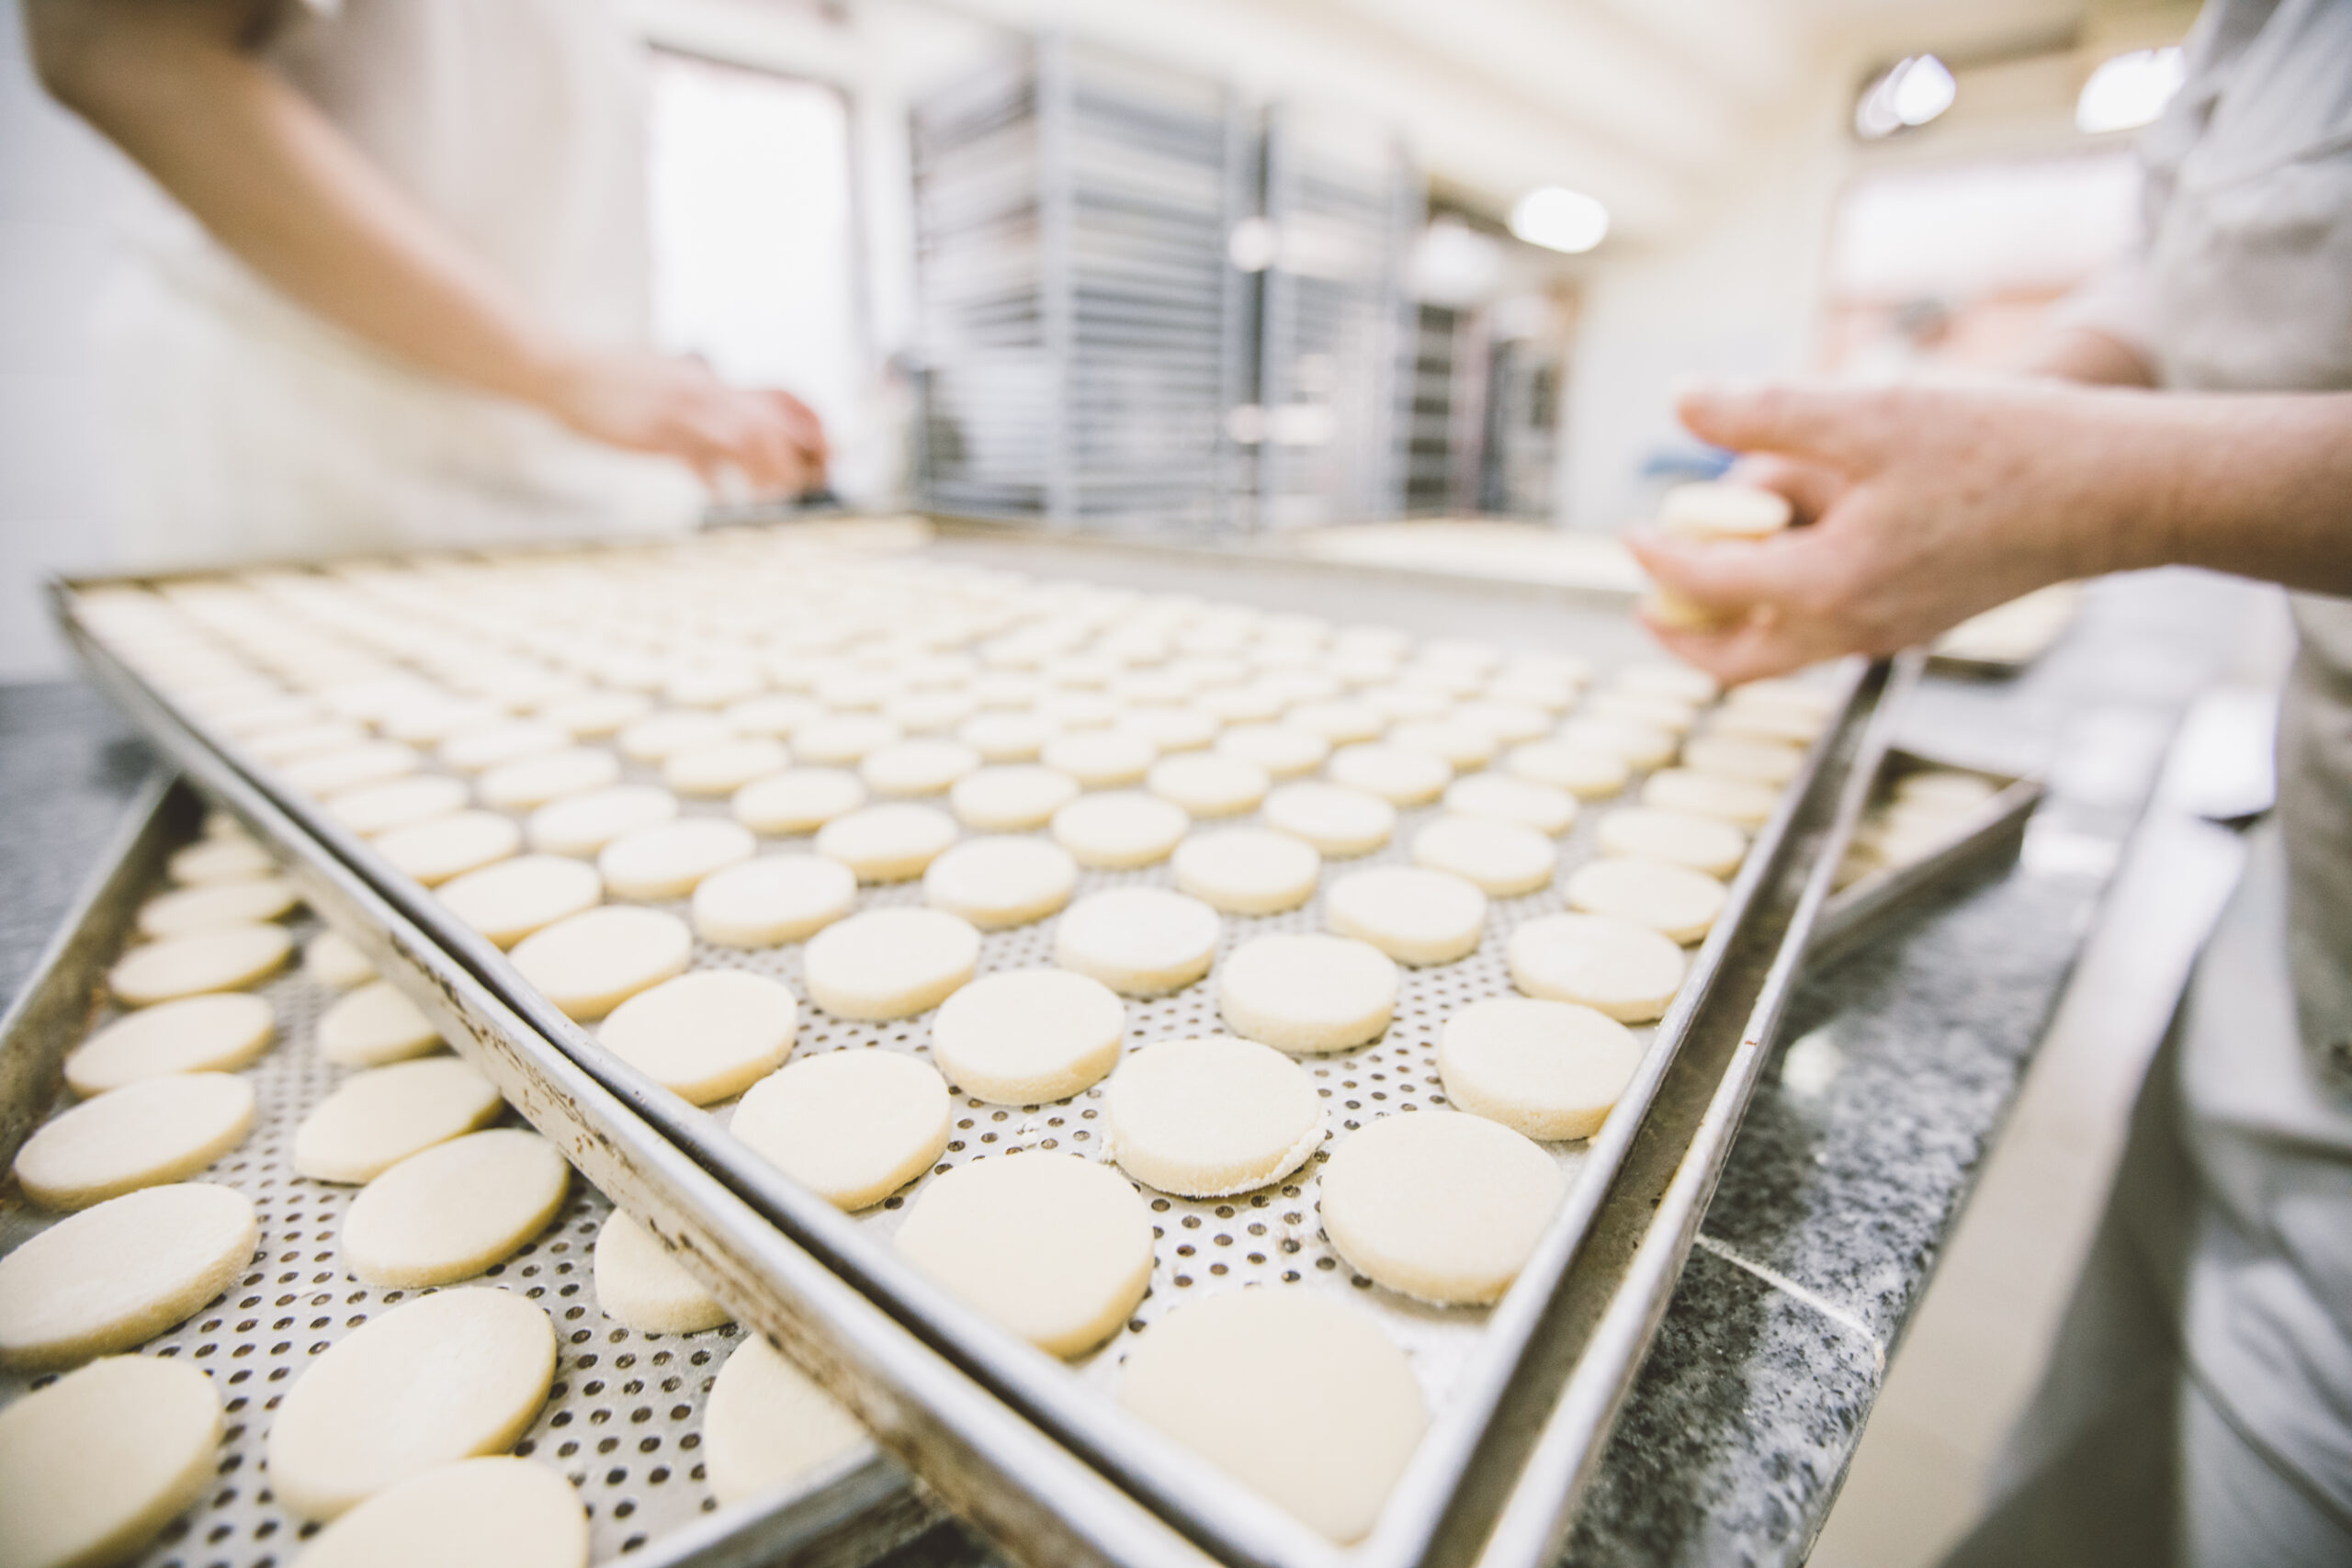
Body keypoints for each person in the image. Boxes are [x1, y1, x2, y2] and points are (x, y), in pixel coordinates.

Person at [1633, 2, 2352, 1563]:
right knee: (2099, 1441)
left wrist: (2102, 490)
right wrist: (1944, 446)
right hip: (2307, 899)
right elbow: (2170, 298)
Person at [26, 0, 827, 569]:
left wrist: (655, 392)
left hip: (544, 496)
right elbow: (110, 47)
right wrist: (566, 374)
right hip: (325, 477)